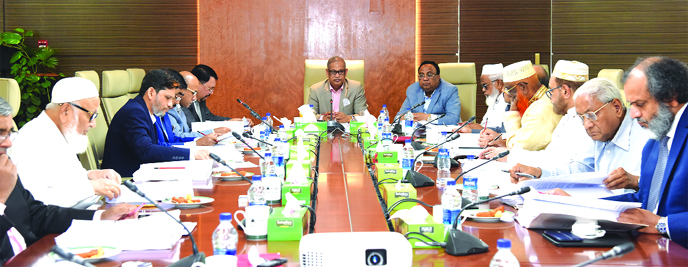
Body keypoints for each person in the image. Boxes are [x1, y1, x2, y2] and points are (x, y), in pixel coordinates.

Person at [547, 57, 688, 249]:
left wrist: (664, 224)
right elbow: (641, 201)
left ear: (670, 97)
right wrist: (577, 204)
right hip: (649, 247)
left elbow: (655, 218)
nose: (633, 114)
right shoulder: (655, 142)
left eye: (640, 104)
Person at [0, 97, 136, 264]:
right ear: (65, 110)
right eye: (0, 133)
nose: (8, 143)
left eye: (8, 133)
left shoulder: (4, 169)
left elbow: (37, 214)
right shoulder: (27, 144)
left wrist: (102, 216)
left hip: (38, 256)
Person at [509, 78, 649, 192]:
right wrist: (538, 173)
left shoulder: (645, 137)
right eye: (582, 118)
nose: (587, 124)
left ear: (617, 107)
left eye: (591, 115)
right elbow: (582, 169)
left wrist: (636, 182)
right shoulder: (601, 132)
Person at [10, 77, 122, 208]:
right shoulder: (31, 139)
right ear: (65, 111)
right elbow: (37, 203)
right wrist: (91, 187)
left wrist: (91, 175)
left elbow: (63, 180)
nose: (94, 124)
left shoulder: (61, 132)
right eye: (91, 115)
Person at [482, 60, 594, 167]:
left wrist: (512, 155)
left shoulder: (584, 122)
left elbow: (565, 165)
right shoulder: (568, 117)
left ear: (565, 91)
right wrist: (510, 154)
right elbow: (550, 155)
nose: (549, 97)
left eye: (551, 90)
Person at [102, 69, 211, 177]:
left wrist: (192, 150)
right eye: (167, 98)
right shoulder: (134, 112)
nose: (170, 104)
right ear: (151, 93)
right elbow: (146, 150)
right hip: (126, 180)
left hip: (143, 173)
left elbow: (156, 146)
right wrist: (191, 154)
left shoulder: (145, 111)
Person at [483, 60, 561, 151]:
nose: (507, 94)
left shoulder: (539, 110)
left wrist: (512, 114)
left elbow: (517, 150)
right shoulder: (537, 101)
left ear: (523, 87)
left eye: (509, 89)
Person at [153, 69, 219, 147]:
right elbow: (154, 148)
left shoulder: (175, 106)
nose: (195, 98)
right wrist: (197, 143)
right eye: (193, 93)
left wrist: (199, 141)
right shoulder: (165, 109)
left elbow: (173, 138)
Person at [168, 71, 230, 139]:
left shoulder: (179, 107)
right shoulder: (169, 109)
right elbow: (177, 137)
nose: (195, 98)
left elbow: (187, 132)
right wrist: (211, 132)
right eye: (193, 93)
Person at [395, 61, 461, 125]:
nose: (425, 78)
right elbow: (397, 117)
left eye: (429, 75)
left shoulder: (450, 90)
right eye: (421, 75)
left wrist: (426, 117)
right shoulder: (412, 90)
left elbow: (453, 119)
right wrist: (403, 118)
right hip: (418, 132)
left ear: (438, 77)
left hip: (442, 132)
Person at [308, 56, 368, 123]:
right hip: (325, 131)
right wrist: (323, 118)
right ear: (327, 72)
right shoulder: (316, 90)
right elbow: (309, 115)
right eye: (333, 72)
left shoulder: (356, 88)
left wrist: (349, 118)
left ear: (346, 72)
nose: (337, 76)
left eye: (341, 71)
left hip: (348, 131)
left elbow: (363, 115)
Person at [460, 63, 507, 133]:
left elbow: (502, 132)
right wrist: (472, 125)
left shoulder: (508, 101)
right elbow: (484, 125)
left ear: (499, 83)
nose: (483, 90)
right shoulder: (494, 99)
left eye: (485, 86)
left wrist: (475, 129)